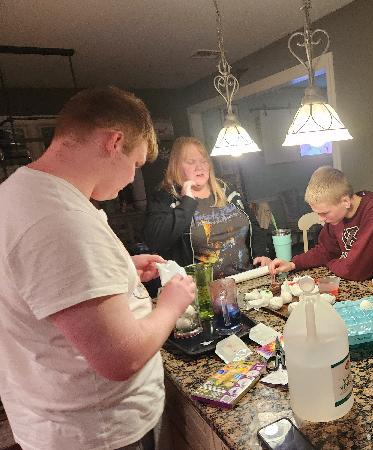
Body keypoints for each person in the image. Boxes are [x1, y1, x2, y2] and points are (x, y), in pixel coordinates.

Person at [0, 87, 196, 450]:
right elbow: (122, 357)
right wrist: (171, 304)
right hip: (100, 433)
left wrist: (119, 271)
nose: (131, 178)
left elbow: (48, 289)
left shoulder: (20, 192)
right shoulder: (60, 219)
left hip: (61, 418)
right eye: (135, 164)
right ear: (114, 142)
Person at [143, 137, 271, 280]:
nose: (200, 167)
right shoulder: (164, 198)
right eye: (191, 162)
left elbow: (253, 225)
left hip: (247, 279)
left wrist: (260, 254)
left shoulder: (226, 189)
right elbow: (155, 241)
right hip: (202, 288)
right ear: (177, 166)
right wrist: (187, 203)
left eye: (203, 161)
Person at [268, 166, 373, 281]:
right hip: (360, 281)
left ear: (345, 201)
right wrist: (293, 264)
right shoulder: (337, 217)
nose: (321, 219)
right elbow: (325, 251)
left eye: (324, 213)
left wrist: (331, 262)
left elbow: (356, 270)